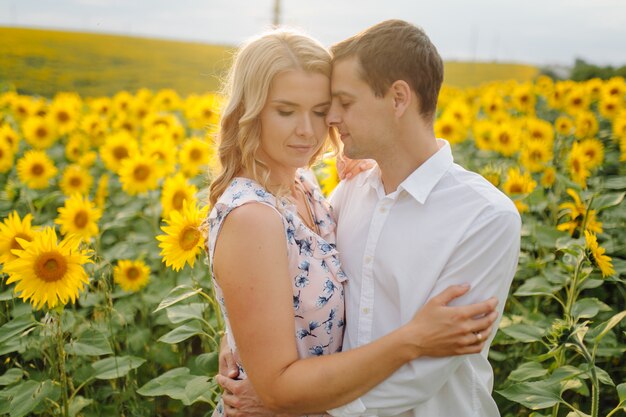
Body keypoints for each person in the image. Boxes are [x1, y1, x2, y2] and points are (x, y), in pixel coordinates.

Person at [215, 20, 521, 417]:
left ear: (397, 99)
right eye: (289, 110)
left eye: (337, 104)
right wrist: (243, 346)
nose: (329, 121)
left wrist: (289, 401)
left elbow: (422, 372)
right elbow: (274, 286)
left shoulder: (483, 217)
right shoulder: (348, 195)